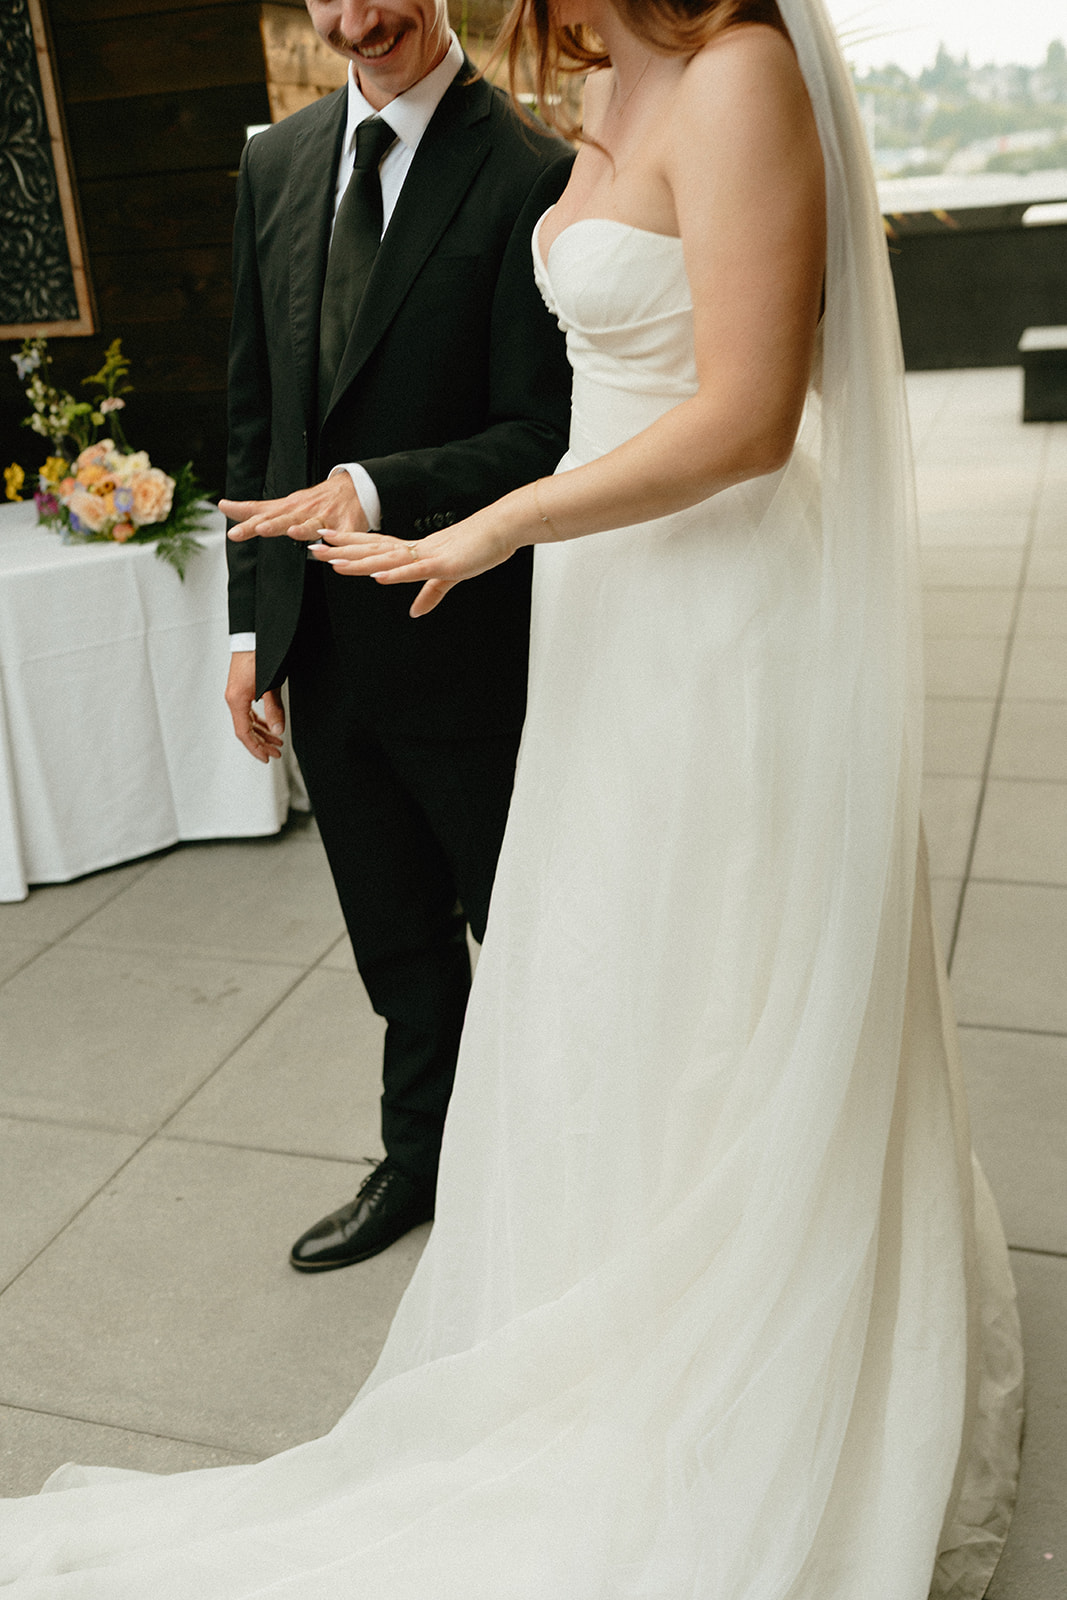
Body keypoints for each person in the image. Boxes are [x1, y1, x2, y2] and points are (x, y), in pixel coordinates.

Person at [0, 0, 1023, 1593]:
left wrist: (493, 525)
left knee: (714, 984)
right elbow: (278, 383)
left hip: (707, 617)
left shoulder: (734, 74)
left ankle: (750, 1345)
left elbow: (748, 417)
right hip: (603, 618)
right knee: (605, 981)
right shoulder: (597, 74)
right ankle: (595, 1284)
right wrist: (279, 601)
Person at [219, 0, 573, 1271]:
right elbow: (257, 413)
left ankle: (565, 1174)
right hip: (321, 646)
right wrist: (252, 625)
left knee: (526, 929)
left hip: (470, 642)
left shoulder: (535, 168)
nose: (356, 18)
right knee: (393, 942)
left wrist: (375, 486)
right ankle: (420, 1160)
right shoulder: (274, 162)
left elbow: (544, 433)